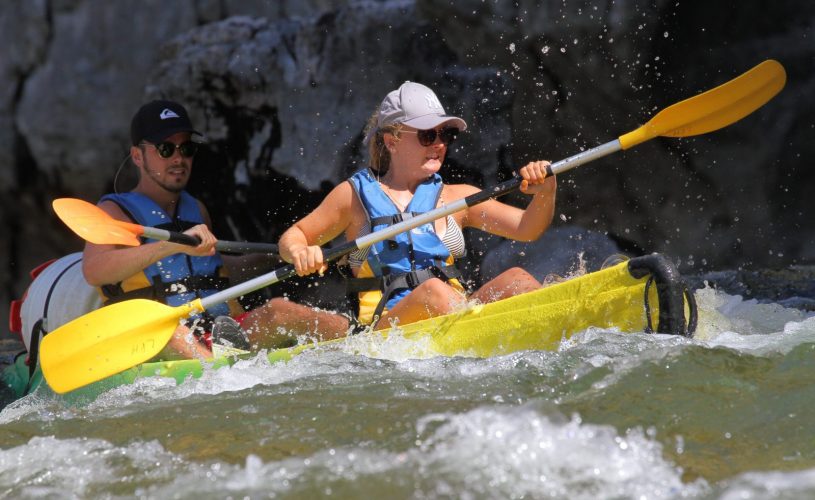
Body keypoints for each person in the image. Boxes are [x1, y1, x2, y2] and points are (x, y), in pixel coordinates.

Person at [277, 81, 557, 330]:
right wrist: (301, 252)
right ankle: (477, 331)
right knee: (433, 291)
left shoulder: (456, 198)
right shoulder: (353, 196)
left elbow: (527, 228)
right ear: (392, 141)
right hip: (386, 329)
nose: (439, 144)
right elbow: (294, 236)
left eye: (444, 135)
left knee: (518, 279)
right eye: (427, 136)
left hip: (454, 315)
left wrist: (545, 191)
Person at [82, 100, 282, 359]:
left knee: (281, 310)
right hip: (156, 336)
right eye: (166, 149)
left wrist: (273, 259)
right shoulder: (114, 212)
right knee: (173, 333)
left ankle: (351, 342)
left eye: (186, 148)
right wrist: (171, 246)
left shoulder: (196, 209)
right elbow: (94, 270)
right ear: (137, 156)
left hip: (217, 327)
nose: (178, 158)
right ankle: (222, 375)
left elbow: (213, 270)